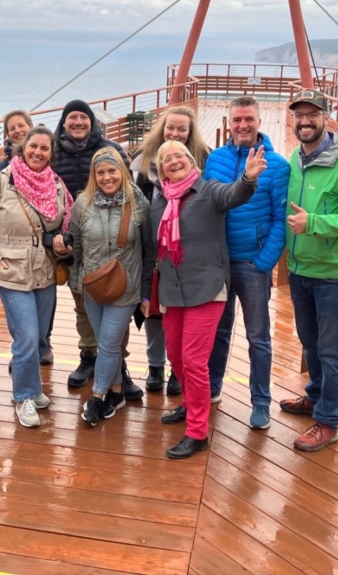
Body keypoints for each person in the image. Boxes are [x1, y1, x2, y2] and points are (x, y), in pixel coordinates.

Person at [149, 139, 265, 459]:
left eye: (179, 155)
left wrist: (249, 178)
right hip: (173, 291)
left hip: (208, 287)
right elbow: (151, 248)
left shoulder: (209, 190)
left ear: (191, 161)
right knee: (176, 356)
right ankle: (189, 403)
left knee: (195, 361)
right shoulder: (159, 201)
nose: (174, 161)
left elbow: (235, 194)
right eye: (167, 159)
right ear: (161, 169)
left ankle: (198, 432)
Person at [281, 88, 338, 452]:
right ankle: (316, 397)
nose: (305, 121)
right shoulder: (295, 160)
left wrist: (315, 223)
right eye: (299, 115)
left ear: (326, 117)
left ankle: (328, 421)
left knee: (332, 350)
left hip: (336, 273)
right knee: (311, 345)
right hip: (301, 269)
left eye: (312, 114)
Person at [0, 126, 73, 428]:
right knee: (26, 338)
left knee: (39, 338)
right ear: (22, 148)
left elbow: (60, 224)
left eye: (44, 148)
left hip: (45, 270)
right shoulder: (0, 183)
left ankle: (34, 388)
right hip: (12, 271)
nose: (38, 153)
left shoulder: (55, 184)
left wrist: (61, 243)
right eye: (33, 147)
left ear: (51, 152)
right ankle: (24, 396)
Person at [204, 96, 290, 430]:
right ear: (229, 122)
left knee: (258, 336)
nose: (243, 125)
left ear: (259, 121)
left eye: (249, 119)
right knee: (218, 330)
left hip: (253, 263)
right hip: (220, 263)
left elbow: (280, 218)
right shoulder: (216, 159)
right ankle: (212, 387)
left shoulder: (277, 165)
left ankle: (261, 401)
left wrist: (264, 261)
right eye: (237, 119)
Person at [51, 99, 141, 401]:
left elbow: (129, 187)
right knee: (83, 307)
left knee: (116, 306)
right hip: (77, 238)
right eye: (71, 117)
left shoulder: (110, 148)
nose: (78, 122)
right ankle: (89, 354)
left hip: (115, 242)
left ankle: (119, 362)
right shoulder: (53, 150)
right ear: (63, 122)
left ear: (92, 121)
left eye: (83, 117)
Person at [130, 105, 211, 397]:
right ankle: (154, 365)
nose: (174, 133)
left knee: (180, 309)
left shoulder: (203, 160)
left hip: (187, 249)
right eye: (170, 127)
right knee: (153, 307)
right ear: (161, 128)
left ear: (190, 134)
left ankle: (178, 370)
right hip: (152, 246)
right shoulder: (141, 161)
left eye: (181, 129)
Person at [68, 148, 153, 425]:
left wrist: (145, 292)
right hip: (93, 286)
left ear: (122, 171)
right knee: (110, 345)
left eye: (112, 170)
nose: (107, 177)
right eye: (100, 172)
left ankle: (97, 395)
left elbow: (147, 250)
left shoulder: (138, 202)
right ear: (94, 175)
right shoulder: (83, 203)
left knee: (107, 344)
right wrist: (76, 284)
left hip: (126, 287)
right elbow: (76, 245)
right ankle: (117, 392)